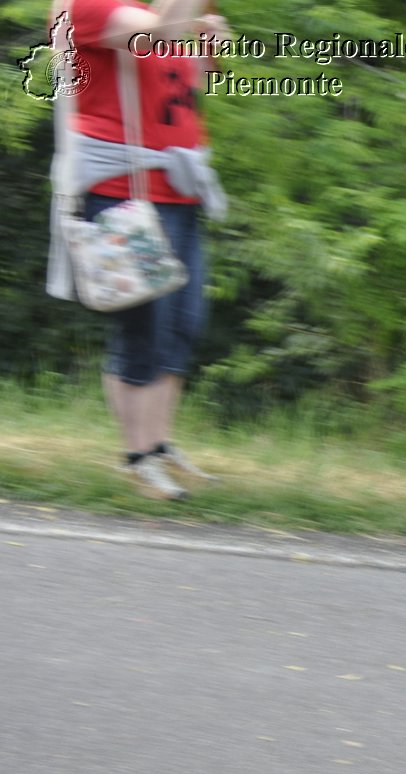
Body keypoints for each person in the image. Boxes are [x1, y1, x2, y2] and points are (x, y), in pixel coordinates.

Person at [47, 0, 228, 501]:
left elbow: (182, 85)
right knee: (144, 325)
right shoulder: (87, 7)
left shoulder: (150, 11)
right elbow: (161, 30)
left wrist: (208, 51)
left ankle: (160, 445)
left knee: (183, 324)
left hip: (176, 190)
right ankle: (137, 459)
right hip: (122, 192)